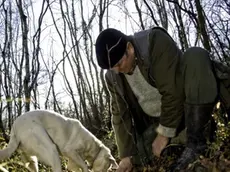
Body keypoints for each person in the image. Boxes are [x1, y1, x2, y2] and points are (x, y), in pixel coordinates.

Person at [95, 27, 218, 171]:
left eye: (119, 64)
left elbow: (173, 91)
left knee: (196, 56)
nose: (116, 71)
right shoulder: (113, 77)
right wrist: (125, 155)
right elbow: (120, 114)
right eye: (111, 68)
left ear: (129, 48)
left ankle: (196, 140)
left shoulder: (154, 42)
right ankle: (181, 139)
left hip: (184, 108)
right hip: (155, 123)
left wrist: (164, 134)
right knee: (137, 157)